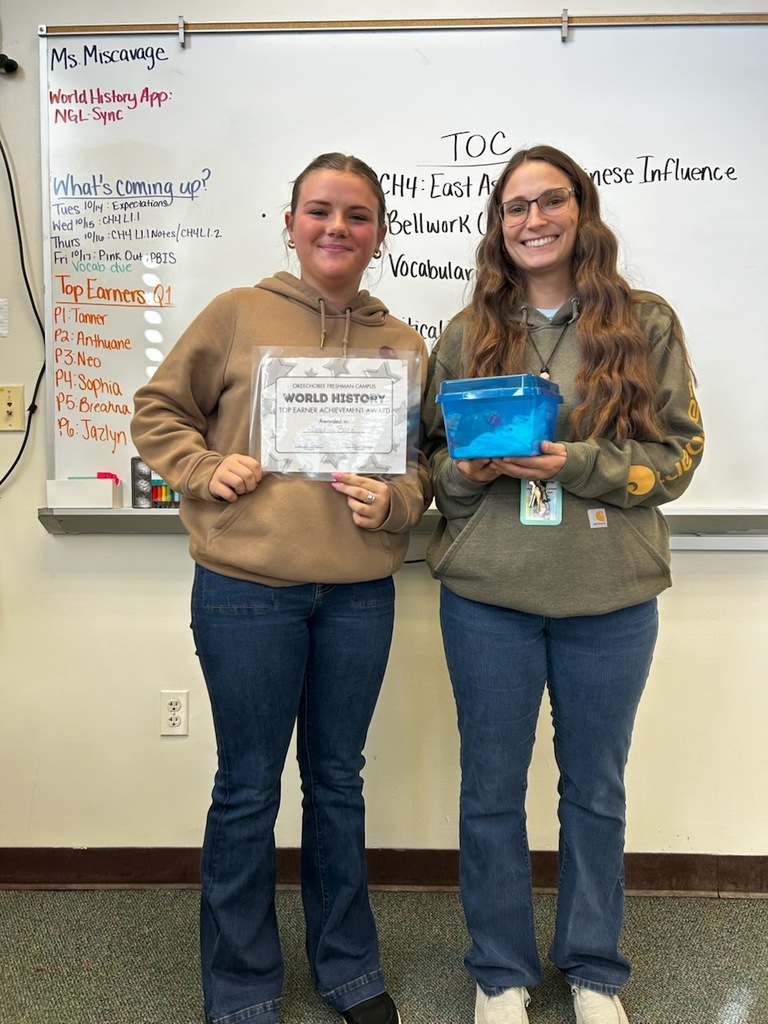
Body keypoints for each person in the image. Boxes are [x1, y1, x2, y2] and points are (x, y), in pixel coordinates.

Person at [131, 152, 432, 1024]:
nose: (336, 229)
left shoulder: (401, 343)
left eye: (357, 216)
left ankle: (347, 971)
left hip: (357, 596)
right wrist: (202, 465)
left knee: (338, 782)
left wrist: (400, 497)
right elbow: (157, 408)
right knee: (249, 787)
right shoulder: (235, 314)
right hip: (244, 592)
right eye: (319, 212)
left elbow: (422, 466)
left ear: (380, 233)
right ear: (291, 222)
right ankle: (241, 985)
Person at [421, 144, 704, 1024]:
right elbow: (430, 461)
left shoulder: (645, 323)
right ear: (498, 227)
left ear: (582, 211)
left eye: (550, 202)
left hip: (611, 597)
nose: (533, 220)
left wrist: (570, 460)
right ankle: (500, 970)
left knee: (595, 788)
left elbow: (681, 456)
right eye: (515, 207)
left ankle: (592, 969)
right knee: (490, 789)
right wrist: (477, 471)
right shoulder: (467, 334)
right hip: (488, 598)